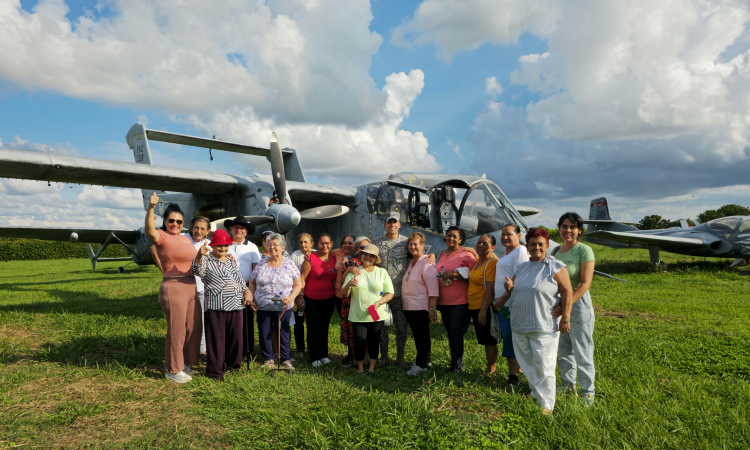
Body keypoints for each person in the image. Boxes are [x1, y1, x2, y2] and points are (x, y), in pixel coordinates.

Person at [501, 228, 573, 415]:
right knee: (526, 362)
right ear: (527, 246)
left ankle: (547, 404)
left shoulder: (555, 266)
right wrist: (509, 286)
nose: (536, 247)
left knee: (544, 364)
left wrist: (565, 317)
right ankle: (535, 391)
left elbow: (567, 291)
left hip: (544, 325)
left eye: (540, 244)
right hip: (519, 323)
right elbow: (514, 288)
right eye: (532, 244)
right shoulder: (522, 267)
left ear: (547, 245)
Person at [145, 193, 201, 384]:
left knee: (191, 327)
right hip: (174, 287)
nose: (175, 224)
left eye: (179, 221)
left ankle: (184, 362)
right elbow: (150, 232)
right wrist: (151, 208)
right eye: (171, 221)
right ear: (165, 221)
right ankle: (173, 370)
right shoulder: (162, 236)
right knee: (176, 330)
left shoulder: (185, 238)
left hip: (191, 286)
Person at [192, 229, 250, 380]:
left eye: (225, 245)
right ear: (213, 245)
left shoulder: (231, 260)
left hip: (236, 304)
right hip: (216, 306)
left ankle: (233, 367)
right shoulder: (206, 259)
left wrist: (247, 291)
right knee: (217, 340)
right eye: (219, 246)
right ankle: (215, 372)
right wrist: (198, 254)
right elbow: (196, 270)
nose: (223, 249)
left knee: (235, 339)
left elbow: (239, 279)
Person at [553, 212, 596, 406]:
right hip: (559, 305)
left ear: (579, 230)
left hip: (578, 305)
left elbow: (585, 283)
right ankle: (566, 385)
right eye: (564, 226)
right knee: (563, 349)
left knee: (582, 350)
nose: (567, 230)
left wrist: (566, 307)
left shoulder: (584, 250)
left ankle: (587, 392)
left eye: (572, 226)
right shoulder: (555, 252)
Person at [247, 234, 303, 370]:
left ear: (282, 247)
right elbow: (252, 282)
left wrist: (291, 298)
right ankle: (268, 359)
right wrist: (252, 298)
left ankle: (285, 359)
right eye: (269, 244)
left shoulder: (289, 263)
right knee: (264, 332)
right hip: (263, 306)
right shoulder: (261, 263)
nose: (272, 247)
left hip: (283, 305)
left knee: (283, 332)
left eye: (275, 244)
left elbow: (298, 284)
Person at [342, 244, 394, 377]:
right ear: (361, 255)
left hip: (376, 314)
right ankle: (360, 368)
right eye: (366, 254)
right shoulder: (355, 271)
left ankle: (371, 369)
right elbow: (343, 294)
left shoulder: (381, 272)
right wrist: (349, 284)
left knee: (374, 341)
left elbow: (390, 293)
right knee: (359, 342)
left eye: (372, 255)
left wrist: (378, 303)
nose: (368, 257)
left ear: (376, 258)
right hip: (357, 314)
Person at [491, 224, 529, 387]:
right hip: (504, 305)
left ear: (519, 235)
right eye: (503, 234)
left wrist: (503, 298)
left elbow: (518, 278)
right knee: (512, 338)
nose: (505, 237)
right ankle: (519, 370)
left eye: (509, 234)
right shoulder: (508, 252)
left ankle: (513, 376)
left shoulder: (520, 251)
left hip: (511, 305)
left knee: (511, 339)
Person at [436, 226, 477, 372]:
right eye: (449, 235)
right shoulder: (442, 253)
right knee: (450, 332)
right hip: (444, 301)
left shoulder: (467, 254)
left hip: (460, 301)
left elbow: (474, 277)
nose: (451, 239)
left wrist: (454, 275)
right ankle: (454, 361)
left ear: (461, 239)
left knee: (455, 331)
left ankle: (458, 364)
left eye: (454, 236)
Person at [372, 212, 410, 369]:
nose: (392, 225)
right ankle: (384, 356)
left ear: (399, 224)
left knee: (401, 327)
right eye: (389, 222)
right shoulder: (377, 243)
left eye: (395, 222)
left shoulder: (407, 243)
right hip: (380, 294)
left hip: (400, 292)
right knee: (381, 327)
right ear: (385, 224)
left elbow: (419, 256)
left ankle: (400, 357)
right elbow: (365, 258)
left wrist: (432, 255)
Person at [401, 232, 439, 376]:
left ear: (423, 245)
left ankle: (420, 365)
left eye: (415, 244)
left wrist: (432, 309)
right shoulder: (411, 262)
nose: (412, 247)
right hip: (410, 306)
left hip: (420, 307)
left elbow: (433, 288)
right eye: (410, 244)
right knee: (420, 335)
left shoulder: (427, 263)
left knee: (420, 336)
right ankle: (426, 360)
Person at [299, 233, 337, 367]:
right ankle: (314, 356)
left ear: (331, 244)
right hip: (311, 298)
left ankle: (323, 354)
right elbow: (302, 278)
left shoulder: (334, 258)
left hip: (328, 298)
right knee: (313, 327)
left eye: (327, 243)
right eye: (321, 243)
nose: (324, 246)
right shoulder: (310, 258)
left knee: (324, 327)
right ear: (317, 244)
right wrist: (301, 295)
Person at [472, 234, 500, 375]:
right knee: (484, 338)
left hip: (484, 306)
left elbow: (490, 289)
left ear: (493, 247)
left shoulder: (491, 263)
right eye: (479, 242)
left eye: (485, 243)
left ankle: (491, 369)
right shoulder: (478, 260)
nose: (481, 245)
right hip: (474, 306)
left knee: (490, 340)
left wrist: (483, 310)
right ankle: (489, 366)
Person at [184, 216, 212, 357]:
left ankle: (202, 351)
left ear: (208, 231)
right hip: (184, 287)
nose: (198, 231)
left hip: (201, 289)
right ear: (191, 227)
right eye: (196, 227)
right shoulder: (182, 239)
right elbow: (154, 248)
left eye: (202, 229)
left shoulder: (211, 245)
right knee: (185, 322)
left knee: (201, 321)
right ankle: (185, 351)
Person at [332, 233, 356, 367]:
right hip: (339, 295)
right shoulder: (336, 253)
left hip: (352, 296)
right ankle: (349, 354)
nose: (347, 245)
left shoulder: (359, 256)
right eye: (344, 242)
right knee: (345, 325)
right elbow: (323, 252)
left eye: (350, 243)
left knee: (353, 325)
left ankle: (356, 355)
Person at [290, 233, 314, 357]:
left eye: (306, 242)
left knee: (312, 322)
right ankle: (300, 349)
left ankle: (312, 348)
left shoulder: (316, 253)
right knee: (298, 322)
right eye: (300, 242)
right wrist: (298, 294)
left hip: (313, 293)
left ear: (312, 243)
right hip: (299, 292)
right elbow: (294, 275)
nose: (303, 245)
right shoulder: (294, 255)